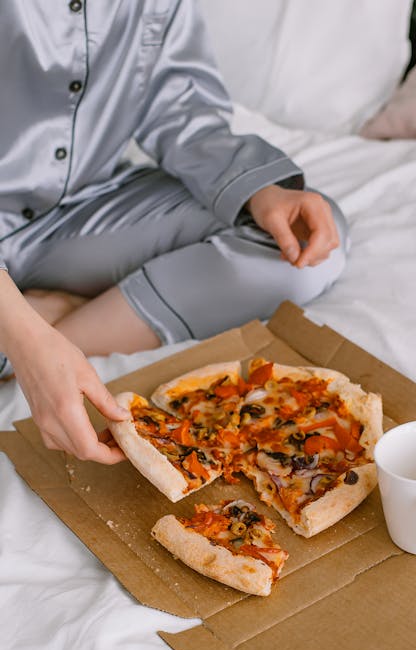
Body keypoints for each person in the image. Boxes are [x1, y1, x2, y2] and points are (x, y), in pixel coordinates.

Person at [0, 0, 349, 464]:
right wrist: (25, 338)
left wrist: (256, 189)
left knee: (303, 244)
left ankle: (50, 330)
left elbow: (179, 102)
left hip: (84, 211)